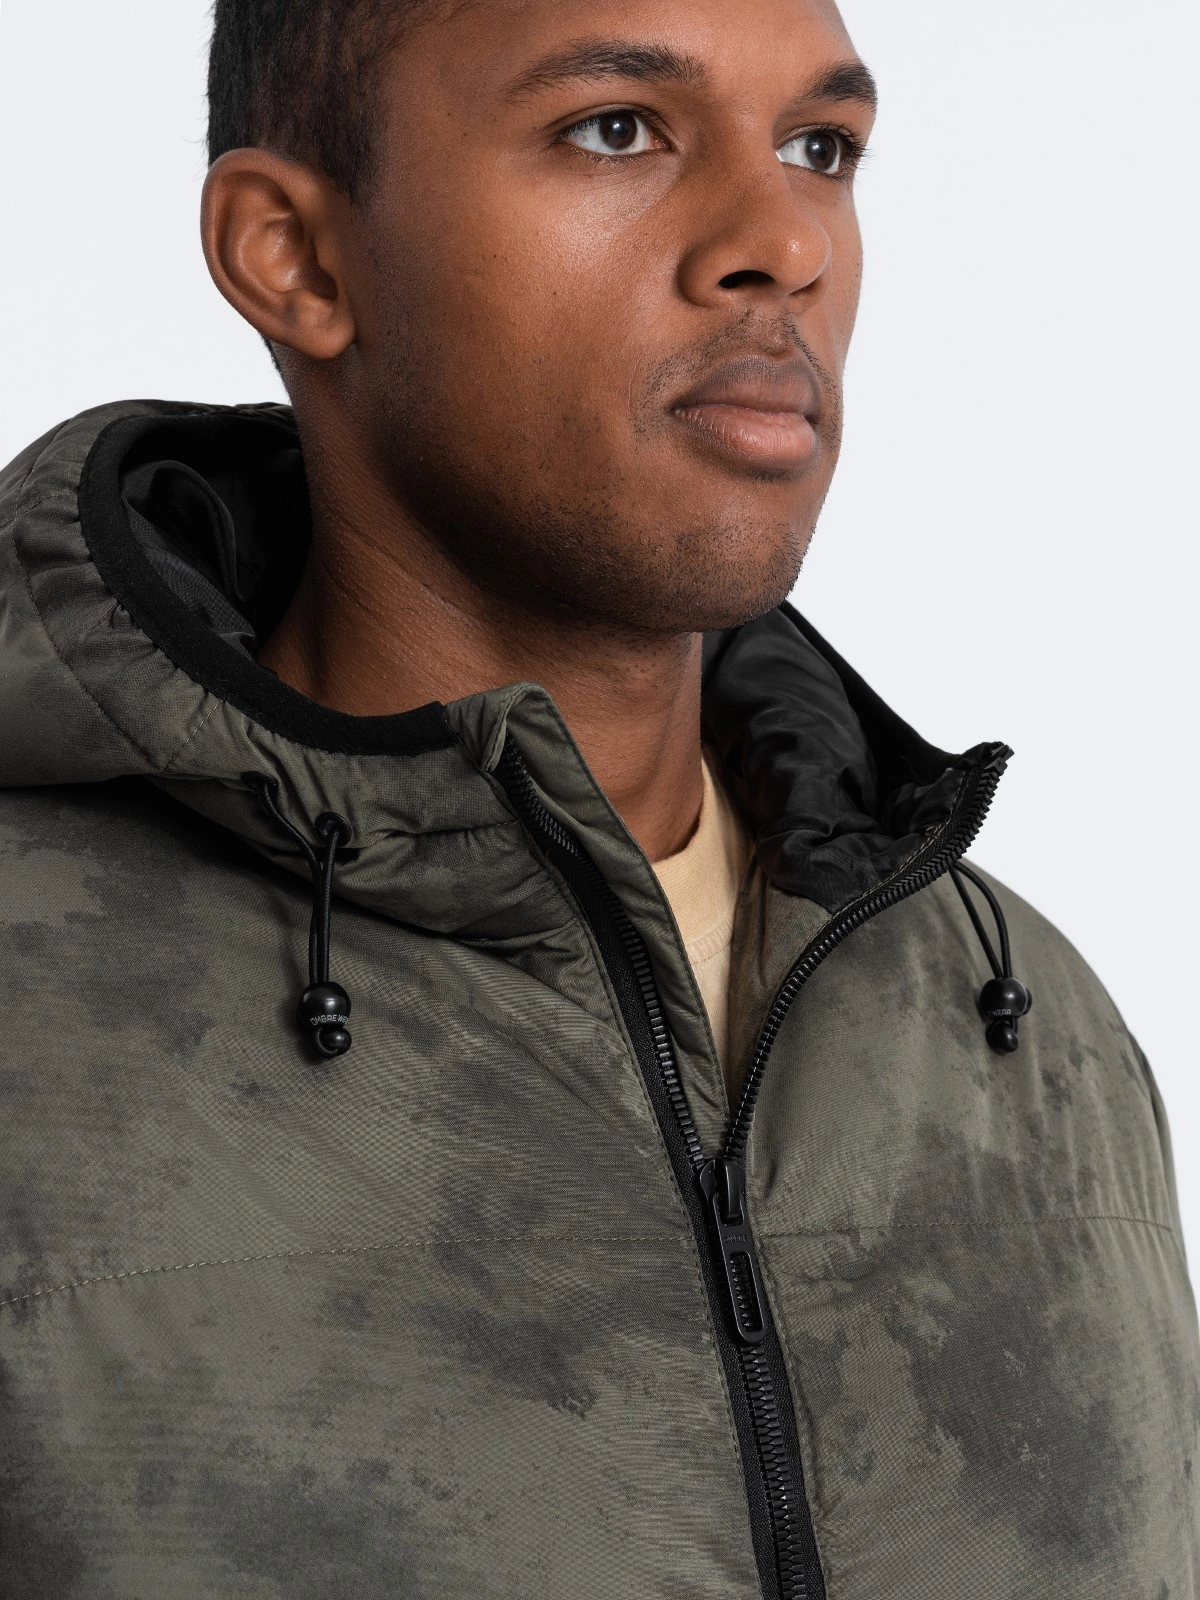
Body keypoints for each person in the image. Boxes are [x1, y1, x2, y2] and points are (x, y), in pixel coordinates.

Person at [1, 0, 1195, 1593]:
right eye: (616, 129)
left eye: (820, 146)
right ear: (297, 256)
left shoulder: (1026, 1026)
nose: (783, 243)